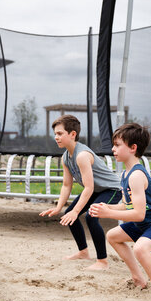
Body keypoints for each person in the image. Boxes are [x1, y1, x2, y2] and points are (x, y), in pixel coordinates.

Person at [89, 123, 151, 301]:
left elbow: (138, 213)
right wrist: (108, 206)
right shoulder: (125, 174)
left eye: (117, 144)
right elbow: (127, 205)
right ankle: (138, 278)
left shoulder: (136, 175)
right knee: (113, 236)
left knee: (140, 249)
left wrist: (108, 213)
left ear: (132, 148)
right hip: (145, 223)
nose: (113, 149)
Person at [39, 115, 122, 270]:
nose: (56, 137)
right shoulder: (66, 157)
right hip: (97, 190)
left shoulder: (82, 155)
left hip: (112, 189)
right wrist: (58, 208)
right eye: (55, 134)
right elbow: (66, 185)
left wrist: (77, 211)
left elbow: (88, 188)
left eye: (60, 133)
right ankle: (83, 252)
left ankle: (102, 262)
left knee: (91, 216)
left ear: (72, 134)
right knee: (69, 213)